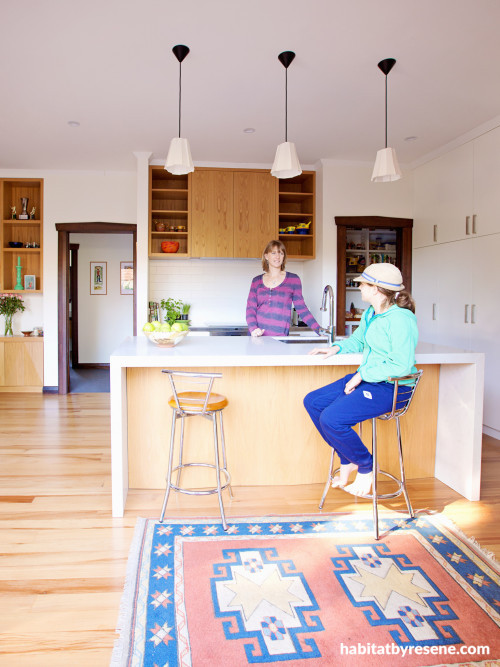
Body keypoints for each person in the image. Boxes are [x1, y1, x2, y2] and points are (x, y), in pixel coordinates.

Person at [303, 263, 418, 497]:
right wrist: (335, 348)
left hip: (392, 387)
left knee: (332, 419)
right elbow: (357, 341)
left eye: (363, 284)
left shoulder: (401, 319)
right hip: (370, 380)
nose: (359, 287)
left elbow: (401, 365)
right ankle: (348, 459)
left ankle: (366, 465)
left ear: (376, 289)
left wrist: (361, 375)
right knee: (313, 401)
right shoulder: (371, 313)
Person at [246, 240, 321, 337]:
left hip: (280, 339)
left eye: (281, 253)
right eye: (273, 253)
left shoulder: (293, 279)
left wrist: (320, 330)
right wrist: (253, 329)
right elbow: (250, 309)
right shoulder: (256, 281)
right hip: (257, 338)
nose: (277, 256)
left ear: (284, 256)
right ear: (266, 256)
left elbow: (302, 309)